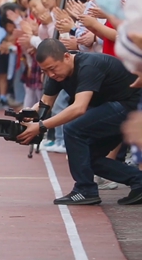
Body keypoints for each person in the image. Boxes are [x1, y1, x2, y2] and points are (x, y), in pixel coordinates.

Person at [17, 38, 142, 206]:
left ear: (67, 57)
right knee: (86, 157)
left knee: (73, 129)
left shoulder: (88, 66)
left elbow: (79, 108)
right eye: (45, 71)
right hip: (114, 107)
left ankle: (84, 190)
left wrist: (40, 126)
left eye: (53, 69)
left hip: (131, 105)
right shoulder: (56, 73)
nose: (51, 75)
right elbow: (45, 105)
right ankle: (139, 182)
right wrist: (29, 115)